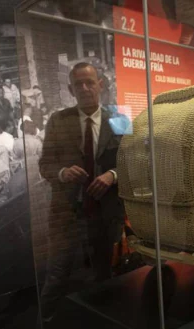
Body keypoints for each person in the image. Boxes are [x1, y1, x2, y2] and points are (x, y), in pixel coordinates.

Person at [39, 62, 125, 323]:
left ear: (101, 84)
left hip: (104, 212)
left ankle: (102, 321)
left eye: (90, 82)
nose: (85, 89)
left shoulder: (120, 118)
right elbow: (45, 165)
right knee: (57, 273)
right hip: (67, 212)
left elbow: (134, 160)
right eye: (79, 84)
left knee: (103, 273)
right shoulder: (58, 120)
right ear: (70, 89)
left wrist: (113, 175)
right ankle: (46, 321)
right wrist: (63, 173)